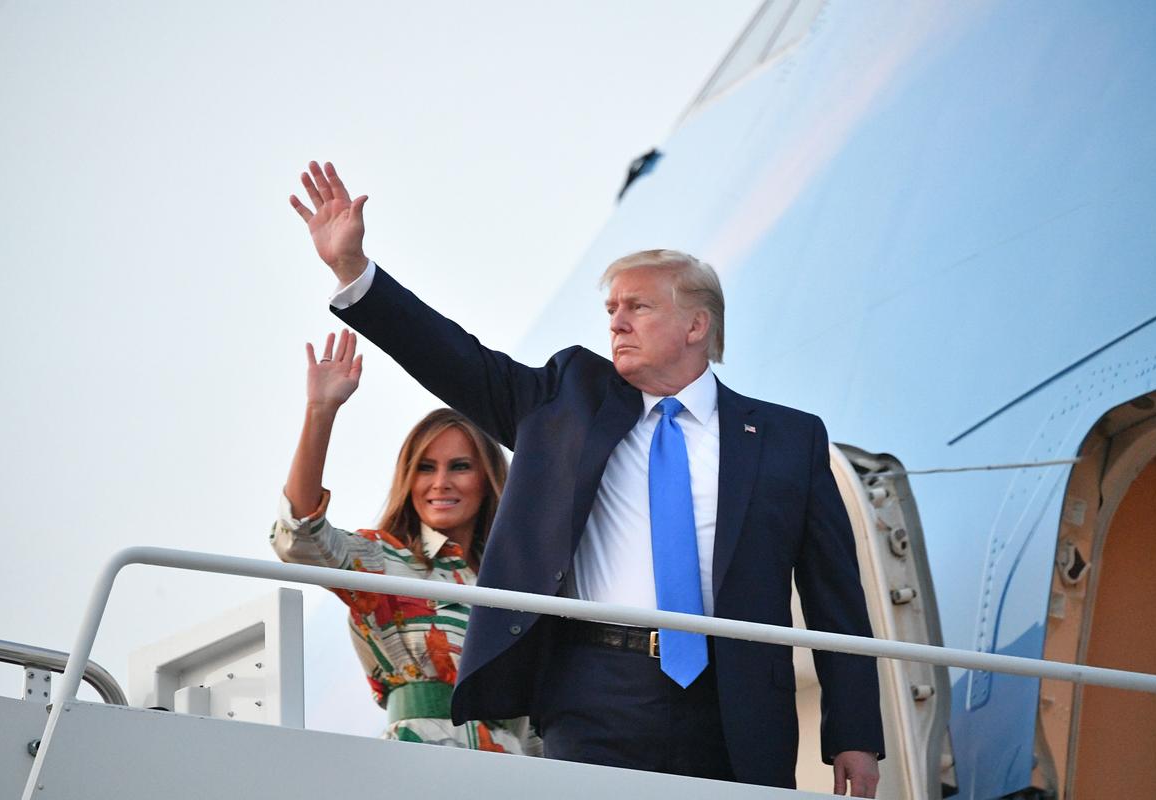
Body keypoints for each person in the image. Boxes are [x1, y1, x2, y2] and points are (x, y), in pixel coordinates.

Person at [288, 161, 884, 795]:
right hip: (594, 688)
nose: (616, 323)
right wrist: (354, 270)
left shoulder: (789, 438)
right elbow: (455, 359)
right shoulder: (567, 400)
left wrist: (854, 733)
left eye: (637, 308)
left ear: (696, 325)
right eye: (611, 309)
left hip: (738, 702)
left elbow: (834, 599)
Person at [270, 328, 540, 754]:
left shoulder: (520, 584)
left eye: (460, 467)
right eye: (425, 468)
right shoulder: (381, 559)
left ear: (487, 480)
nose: (441, 483)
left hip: (515, 769)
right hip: (417, 758)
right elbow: (299, 537)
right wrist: (320, 411)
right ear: (408, 479)